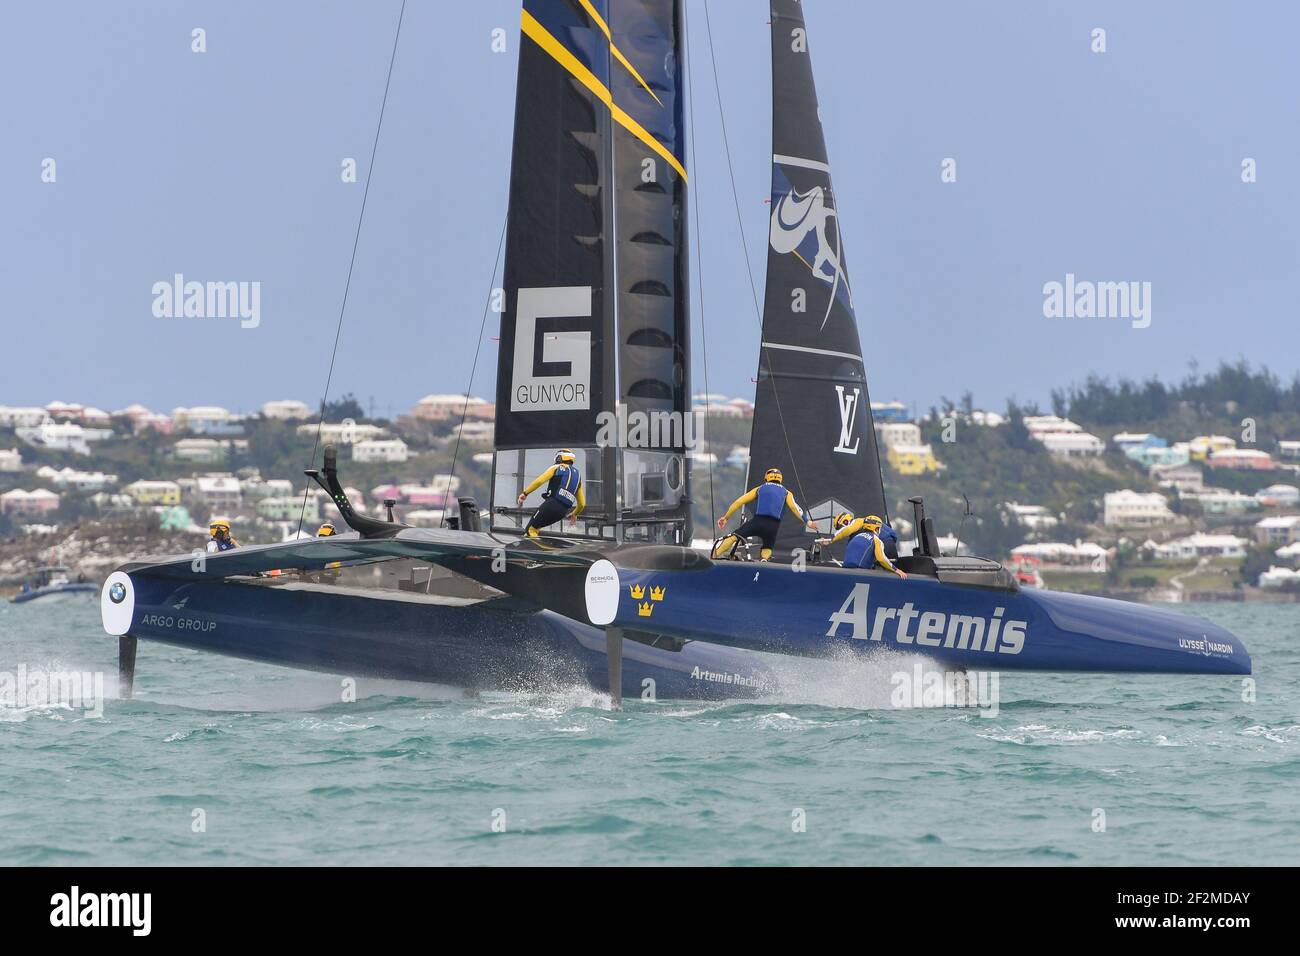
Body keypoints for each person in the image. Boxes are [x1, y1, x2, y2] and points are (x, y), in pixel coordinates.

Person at [716, 467, 817, 562]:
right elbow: (795, 508)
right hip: (773, 526)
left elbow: (739, 502)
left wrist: (726, 518)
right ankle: (763, 561)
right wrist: (808, 521)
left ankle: (714, 556)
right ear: (780, 479)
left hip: (758, 521)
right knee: (767, 547)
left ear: (766, 478)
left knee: (734, 537)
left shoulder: (760, 488)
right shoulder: (786, 492)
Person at [517, 449, 585, 537]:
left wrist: (525, 493)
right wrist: (575, 514)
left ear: (559, 458)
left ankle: (537, 550)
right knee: (536, 529)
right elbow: (582, 504)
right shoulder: (578, 476)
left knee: (530, 529)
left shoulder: (557, 467)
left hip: (552, 504)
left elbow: (539, 481)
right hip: (563, 512)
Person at [819, 512, 906, 578]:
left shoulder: (859, 522)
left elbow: (847, 530)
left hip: (885, 545)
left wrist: (830, 540)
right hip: (890, 545)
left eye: (839, 528)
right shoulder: (868, 524)